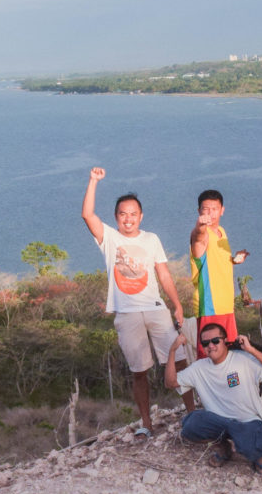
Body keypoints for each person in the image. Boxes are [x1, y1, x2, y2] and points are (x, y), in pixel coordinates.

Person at [81, 167, 194, 439]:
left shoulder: (151, 239)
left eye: (133, 214)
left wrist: (176, 304)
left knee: (179, 361)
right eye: (123, 214)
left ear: (140, 216)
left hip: (155, 309)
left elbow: (163, 273)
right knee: (139, 371)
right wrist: (93, 181)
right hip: (127, 313)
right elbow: (87, 214)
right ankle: (147, 422)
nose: (128, 219)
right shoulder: (109, 238)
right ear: (116, 217)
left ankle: (192, 414)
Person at [165, 323, 262, 472]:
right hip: (219, 422)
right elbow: (171, 382)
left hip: (248, 422)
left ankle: (258, 456)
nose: (211, 346)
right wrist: (172, 350)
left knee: (252, 450)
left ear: (225, 340)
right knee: (190, 425)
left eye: (215, 341)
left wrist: (251, 350)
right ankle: (224, 446)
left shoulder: (243, 359)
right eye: (205, 343)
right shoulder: (199, 368)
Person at [189, 189, 249, 359]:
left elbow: (215, 259)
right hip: (209, 306)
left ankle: (231, 386)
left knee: (231, 355)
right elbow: (198, 239)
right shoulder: (202, 234)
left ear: (222, 210)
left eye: (214, 209)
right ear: (199, 211)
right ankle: (206, 387)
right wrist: (200, 225)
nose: (210, 213)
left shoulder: (221, 231)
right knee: (209, 357)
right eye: (205, 209)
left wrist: (234, 260)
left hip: (226, 305)